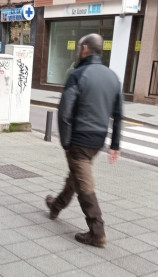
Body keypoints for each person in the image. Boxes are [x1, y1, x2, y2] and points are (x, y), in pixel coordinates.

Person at [45, 33, 123, 248]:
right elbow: (118, 114)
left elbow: (64, 112)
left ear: (86, 49)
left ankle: (97, 232)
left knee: (84, 184)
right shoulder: (113, 78)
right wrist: (115, 145)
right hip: (97, 141)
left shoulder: (78, 74)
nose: (79, 51)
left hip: (79, 140)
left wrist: (66, 142)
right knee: (77, 176)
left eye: (80, 48)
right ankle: (55, 206)